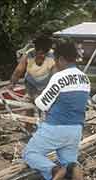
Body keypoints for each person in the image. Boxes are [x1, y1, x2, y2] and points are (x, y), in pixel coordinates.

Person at [22, 40, 90, 180]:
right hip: (76, 129)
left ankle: (54, 171)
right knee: (69, 161)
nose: (55, 64)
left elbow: (42, 104)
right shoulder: (85, 78)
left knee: (30, 153)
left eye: (56, 60)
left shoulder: (59, 77)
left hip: (56, 127)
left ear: (61, 59)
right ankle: (73, 169)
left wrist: (34, 97)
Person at [8, 37, 56, 102]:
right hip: (31, 86)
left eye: (45, 53)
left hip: (46, 87)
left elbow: (55, 75)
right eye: (40, 53)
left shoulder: (52, 55)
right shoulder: (28, 55)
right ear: (36, 49)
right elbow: (18, 71)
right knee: (29, 103)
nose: (43, 56)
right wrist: (12, 84)